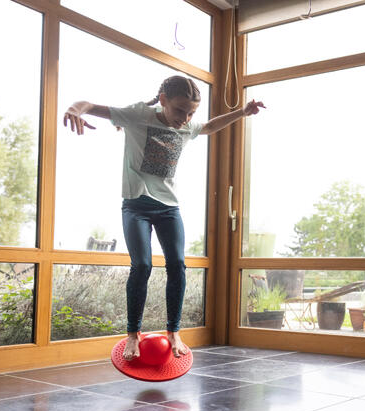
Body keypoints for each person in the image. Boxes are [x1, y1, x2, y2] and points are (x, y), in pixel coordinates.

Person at [63, 75, 264, 360]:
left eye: (190, 112)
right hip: (136, 206)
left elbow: (208, 126)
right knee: (142, 265)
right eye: (180, 110)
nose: (185, 118)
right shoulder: (137, 115)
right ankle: (133, 334)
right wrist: (75, 109)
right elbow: (90, 105)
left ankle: (173, 331)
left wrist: (242, 112)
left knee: (177, 265)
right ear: (163, 100)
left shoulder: (188, 126)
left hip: (169, 208)